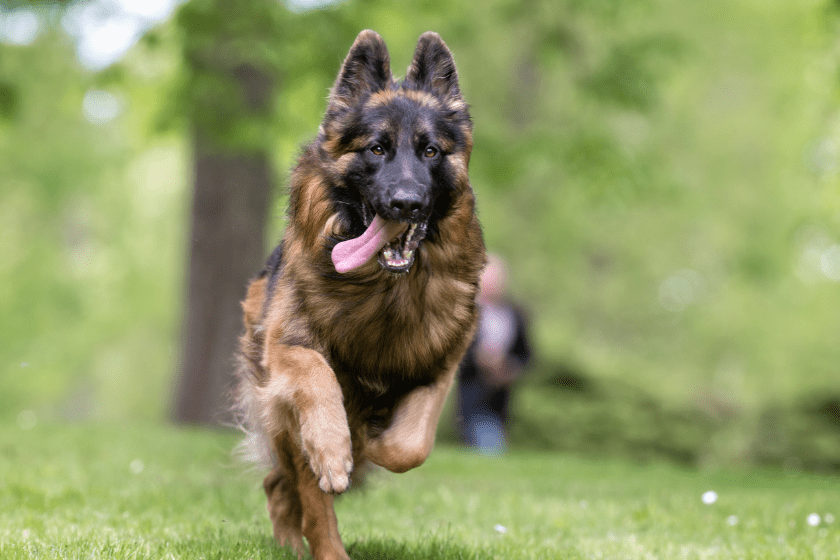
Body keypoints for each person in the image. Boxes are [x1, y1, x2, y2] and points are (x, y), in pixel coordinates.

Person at [457, 254, 531, 454]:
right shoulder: (464, 312)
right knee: (485, 441)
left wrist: (511, 368)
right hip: (471, 392)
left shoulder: (515, 313)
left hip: (502, 398)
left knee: (493, 437)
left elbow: (527, 353)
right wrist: (479, 360)